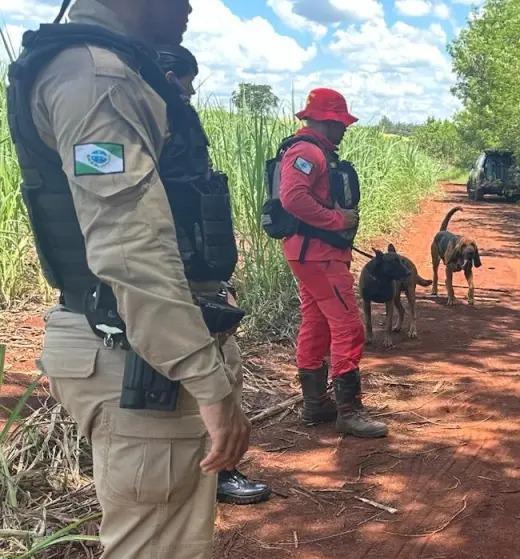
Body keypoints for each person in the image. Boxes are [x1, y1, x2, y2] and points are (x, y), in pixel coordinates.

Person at [7, 0, 250, 556]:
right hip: (139, 356)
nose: (188, 6)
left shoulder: (105, 69)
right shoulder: (99, 79)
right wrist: (206, 381)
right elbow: (130, 247)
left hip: (139, 348)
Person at [154, 42, 271, 506]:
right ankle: (217, 473)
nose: (189, 95)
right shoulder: (156, 127)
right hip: (179, 282)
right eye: (187, 86)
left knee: (222, 368)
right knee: (213, 375)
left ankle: (213, 471)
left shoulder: (170, 129)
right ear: (170, 79)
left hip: (197, 277)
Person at [276, 88, 387, 438]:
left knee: (317, 324)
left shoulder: (310, 150)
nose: (345, 129)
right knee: (348, 327)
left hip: (310, 254)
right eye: (341, 123)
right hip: (319, 255)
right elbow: (292, 197)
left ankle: (315, 405)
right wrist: (336, 220)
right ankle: (349, 412)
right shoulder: (307, 152)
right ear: (327, 121)